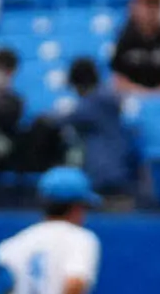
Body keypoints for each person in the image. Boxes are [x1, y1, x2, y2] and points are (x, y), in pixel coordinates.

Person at [57, 57, 133, 197]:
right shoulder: (105, 96)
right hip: (115, 169)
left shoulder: (97, 101)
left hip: (105, 173)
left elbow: (63, 119)